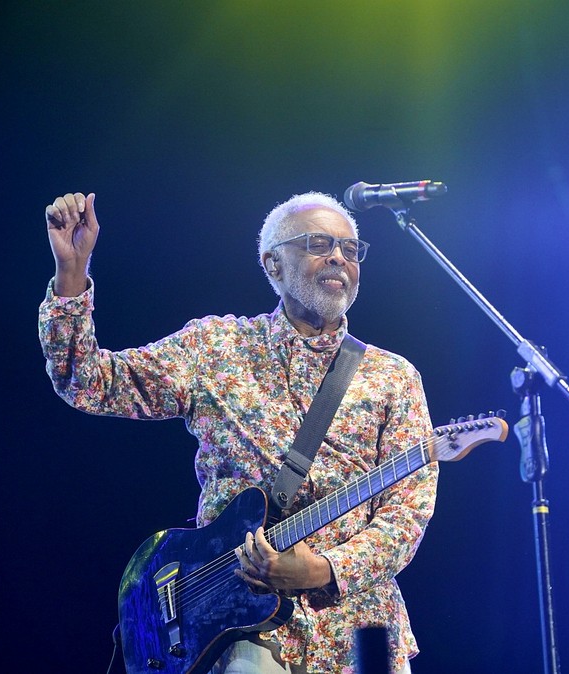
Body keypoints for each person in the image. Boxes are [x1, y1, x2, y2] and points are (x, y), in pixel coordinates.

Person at [39, 191, 437, 674]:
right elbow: (89, 382)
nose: (338, 257)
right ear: (272, 264)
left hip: (357, 630)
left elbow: (408, 512)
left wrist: (323, 570)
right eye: (318, 243)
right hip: (239, 629)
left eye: (350, 249)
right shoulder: (215, 346)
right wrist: (72, 273)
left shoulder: (393, 377)